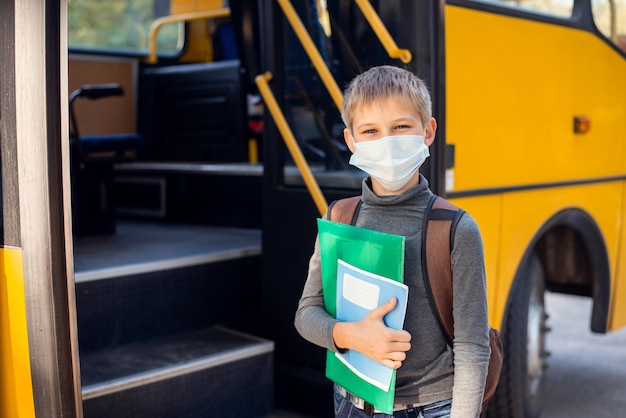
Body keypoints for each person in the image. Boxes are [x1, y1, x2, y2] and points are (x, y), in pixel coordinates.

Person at [294, 65, 491, 418]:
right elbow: (306, 314)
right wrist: (350, 335)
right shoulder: (339, 215)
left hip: (431, 407)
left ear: (428, 131)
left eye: (400, 127)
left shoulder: (455, 228)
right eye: (370, 131)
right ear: (351, 141)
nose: (386, 142)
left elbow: (473, 347)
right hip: (351, 402)